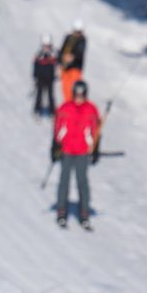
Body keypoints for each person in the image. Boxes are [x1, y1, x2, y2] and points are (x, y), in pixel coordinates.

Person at [52, 79, 100, 230]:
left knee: (82, 182)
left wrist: (95, 148)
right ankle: (61, 211)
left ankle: (84, 213)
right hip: (66, 150)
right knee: (64, 181)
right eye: (77, 94)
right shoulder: (65, 107)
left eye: (82, 95)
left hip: (82, 151)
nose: (79, 98)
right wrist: (55, 146)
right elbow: (58, 128)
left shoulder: (91, 109)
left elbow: (95, 131)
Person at [59, 20, 87, 102]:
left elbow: (80, 52)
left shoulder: (82, 40)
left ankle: (77, 106)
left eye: (79, 32)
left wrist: (72, 57)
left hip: (76, 68)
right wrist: (61, 59)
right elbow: (61, 51)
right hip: (65, 68)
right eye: (76, 31)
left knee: (76, 88)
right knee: (65, 88)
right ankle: (68, 105)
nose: (78, 33)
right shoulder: (68, 38)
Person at [32, 33, 58, 117]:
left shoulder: (53, 54)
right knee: (39, 95)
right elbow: (35, 65)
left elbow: (57, 63)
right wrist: (35, 76)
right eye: (45, 45)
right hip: (40, 78)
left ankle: (52, 111)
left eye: (48, 45)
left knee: (50, 95)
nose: (46, 47)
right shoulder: (39, 54)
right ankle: (37, 110)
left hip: (50, 78)